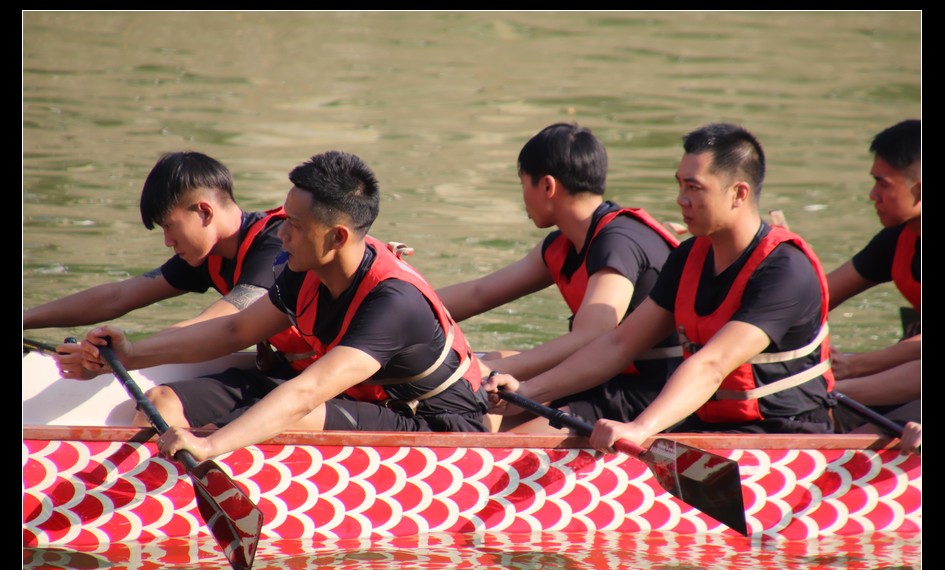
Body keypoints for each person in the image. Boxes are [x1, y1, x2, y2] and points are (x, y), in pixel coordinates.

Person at [73, 150, 491, 463]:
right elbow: (235, 330)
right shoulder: (303, 269)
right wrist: (129, 355)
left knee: (274, 417)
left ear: (337, 237)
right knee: (162, 401)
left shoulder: (393, 303)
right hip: (353, 400)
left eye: (294, 224)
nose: (282, 234)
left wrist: (211, 444)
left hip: (434, 426)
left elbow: (306, 394)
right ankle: (153, 498)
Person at [485, 123, 835, 452]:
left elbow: (712, 365)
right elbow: (619, 345)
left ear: (738, 194)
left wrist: (640, 428)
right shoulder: (688, 257)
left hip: (783, 438)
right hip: (705, 424)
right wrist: (526, 390)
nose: (681, 199)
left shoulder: (785, 270)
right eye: (679, 185)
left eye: (694, 188)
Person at [437, 122, 682, 432]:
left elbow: (593, 334)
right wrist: (403, 300)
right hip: (600, 377)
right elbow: (478, 293)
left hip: (648, 394)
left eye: (523, 183)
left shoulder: (619, 241)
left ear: (547, 186)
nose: (522, 197)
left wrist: (490, 370)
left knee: (495, 395)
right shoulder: (562, 244)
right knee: (491, 363)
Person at [24, 151, 313, 384]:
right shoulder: (209, 254)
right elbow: (117, 296)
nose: (167, 241)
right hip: (292, 374)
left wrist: (121, 356)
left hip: (328, 384)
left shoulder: (278, 245)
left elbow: (222, 325)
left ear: (204, 211)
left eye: (169, 226)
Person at [825, 119, 921, 454]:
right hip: (909, 371)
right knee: (823, 410)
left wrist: (851, 369)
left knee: (844, 415)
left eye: (883, 183)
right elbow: (815, 299)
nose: (872, 195)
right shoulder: (896, 240)